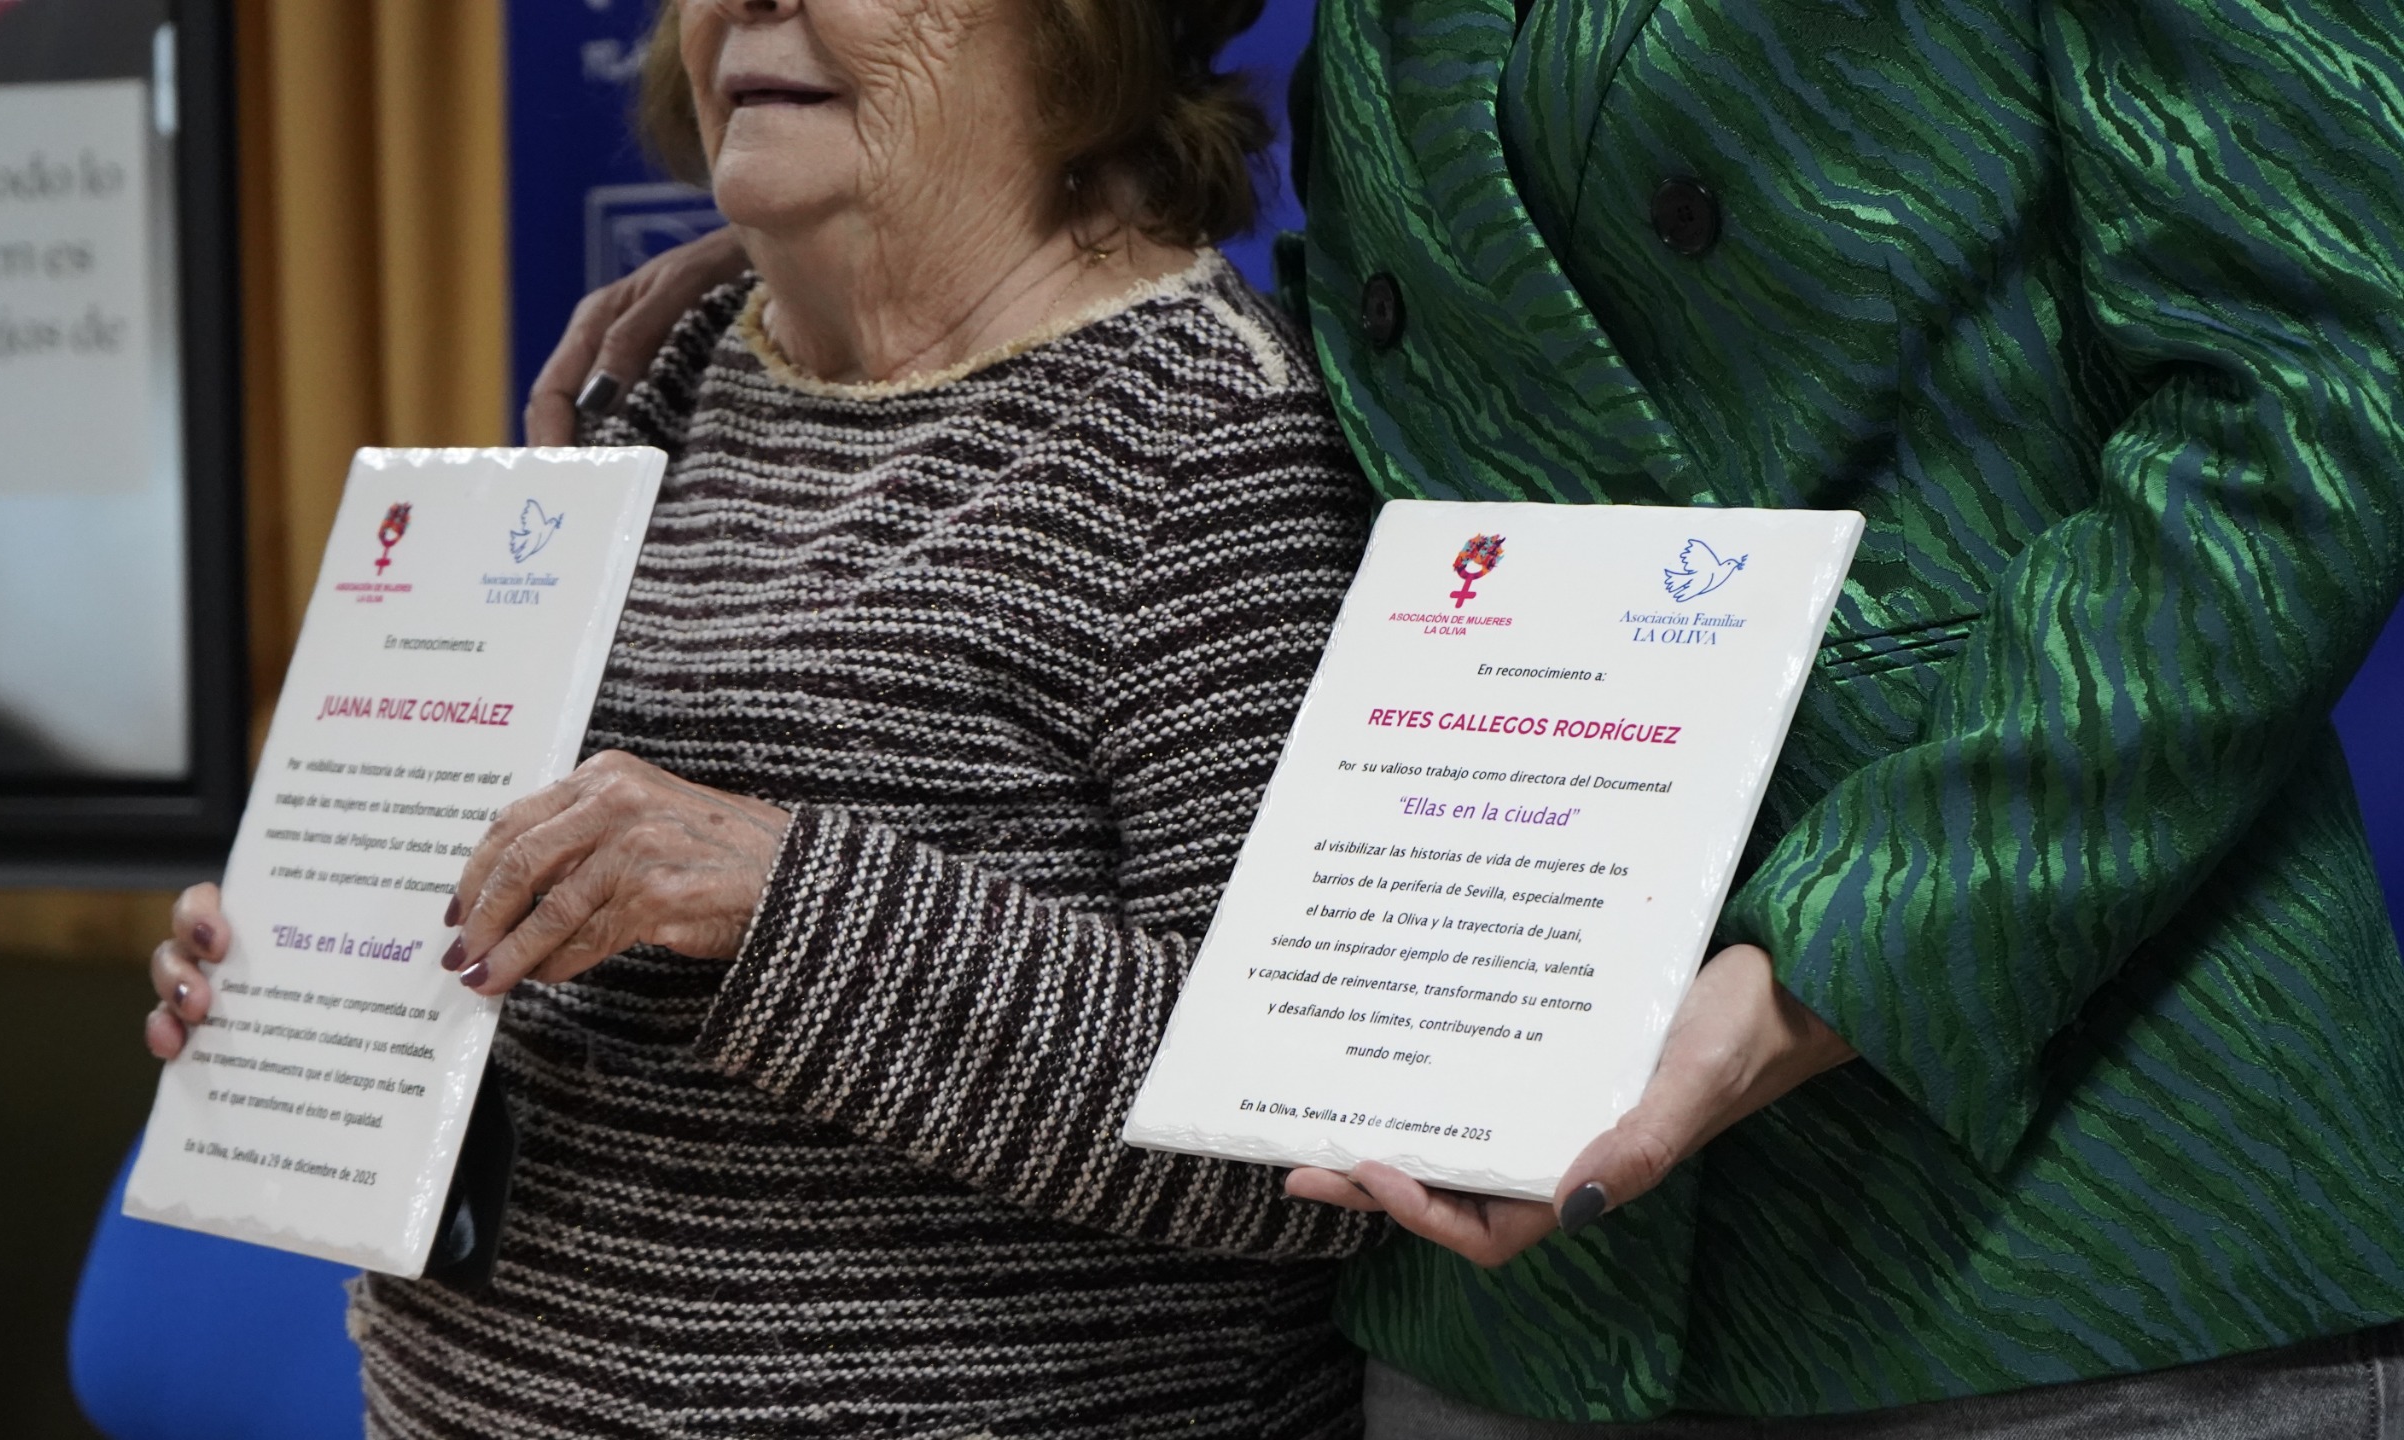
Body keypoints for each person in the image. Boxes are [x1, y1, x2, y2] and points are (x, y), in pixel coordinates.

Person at [546, 0, 2404, 1434]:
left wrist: (1832, 956)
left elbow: (2323, 400)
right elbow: (1454, 332)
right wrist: (903, 228)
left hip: (2061, 1215)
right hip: (1507, 1292)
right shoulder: (709, 393)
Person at [145, 0, 1385, 1435]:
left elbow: (1301, 1141)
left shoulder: (1208, 435)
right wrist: (298, 963)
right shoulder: (658, 372)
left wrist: (778, 898)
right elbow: (514, 924)